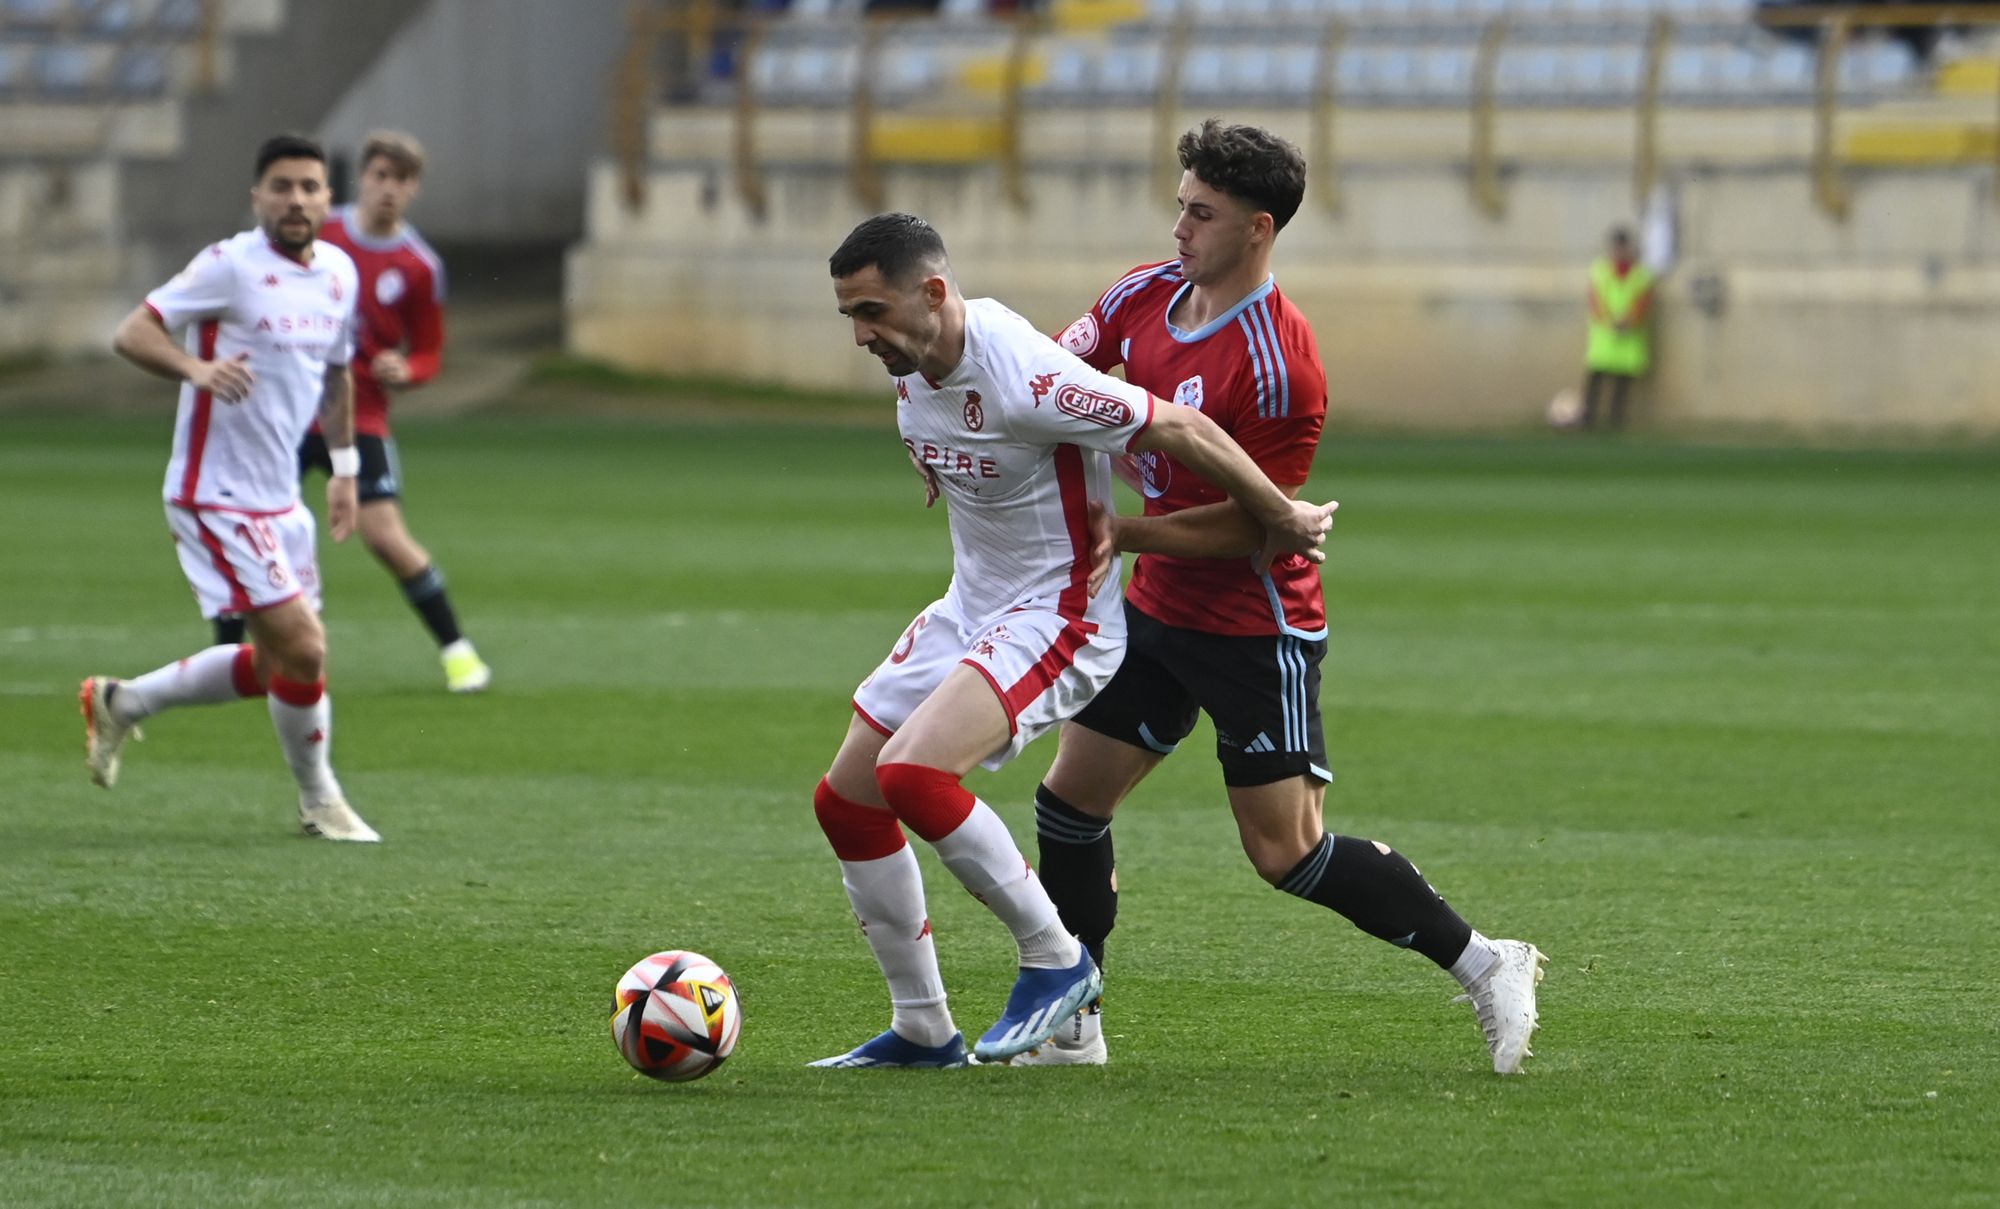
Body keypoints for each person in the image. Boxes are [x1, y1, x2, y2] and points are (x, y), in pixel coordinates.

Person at [1013, 120, 1546, 1074]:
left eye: (1202, 213)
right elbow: (1056, 377)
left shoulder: (1277, 364)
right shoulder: (1142, 295)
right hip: (1154, 612)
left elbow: (1255, 526)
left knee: (1286, 854)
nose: (1180, 227)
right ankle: (1074, 1019)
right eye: (1179, 204)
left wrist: (1120, 531)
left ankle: (1489, 961)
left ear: (1258, 228)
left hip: (1253, 624)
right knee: (1069, 804)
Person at [808, 212, 1336, 1068]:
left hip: (1061, 613)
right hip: (972, 605)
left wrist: (1280, 514)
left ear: (935, 293)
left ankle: (1056, 960)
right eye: (850, 317)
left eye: (872, 312)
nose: (862, 335)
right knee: (848, 798)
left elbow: (1181, 426)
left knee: (912, 774)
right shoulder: (918, 357)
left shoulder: (1025, 374)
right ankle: (922, 1028)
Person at [81, 132, 382, 843]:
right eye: (282, 186)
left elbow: (338, 374)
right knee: (306, 650)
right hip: (214, 492)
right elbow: (134, 332)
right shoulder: (230, 265)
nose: (297, 199)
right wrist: (195, 369)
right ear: (258, 197)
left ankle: (121, 701)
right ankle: (321, 801)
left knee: (282, 659)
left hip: (284, 497)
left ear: (328, 198)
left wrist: (344, 473)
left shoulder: (339, 272)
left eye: (310, 186)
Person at [215, 130, 492, 694]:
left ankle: (458, 652)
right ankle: (226, 660)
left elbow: (431, 350)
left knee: (386, 538)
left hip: (358, 417)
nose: (389, 189)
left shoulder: (418, 267)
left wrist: (408, 371)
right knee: (244, 530)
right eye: (380, 175)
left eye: (403, 180)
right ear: (361, 178)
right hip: (285, 417)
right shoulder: (318, 232)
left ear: (414, 190)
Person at [1578, 226, 1654, 432]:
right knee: (1595, 378)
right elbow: (1595, 299)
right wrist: (1610, 320)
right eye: (1617, 248)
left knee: (1622, 383)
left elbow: (1643, 301)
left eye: (1623, 247)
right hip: (1605, 337)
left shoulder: (1641, 274)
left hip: (1629, 337)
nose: (1620, 252)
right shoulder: (1600, 270)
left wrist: (1630, 320)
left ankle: (1615, 421)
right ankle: (1588, 418)